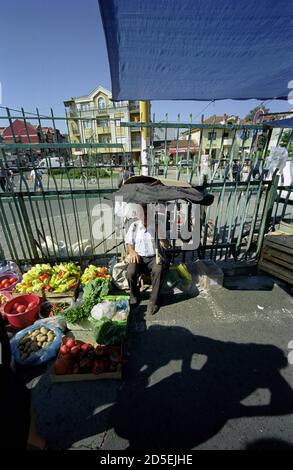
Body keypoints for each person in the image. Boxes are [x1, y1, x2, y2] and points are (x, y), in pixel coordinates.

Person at [125, 205, 169, 316]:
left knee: (158, 269)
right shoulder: (134, 227)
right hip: (139, 257)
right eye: (141, 214)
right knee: (130, 272)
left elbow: (167, 245)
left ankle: (154, 301)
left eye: (146, 214)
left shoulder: (158, 226)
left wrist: (161, 236)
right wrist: (132, 252)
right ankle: (134, 295)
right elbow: (129, 245)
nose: (144, 217)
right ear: (138, 215)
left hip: (154, 257)